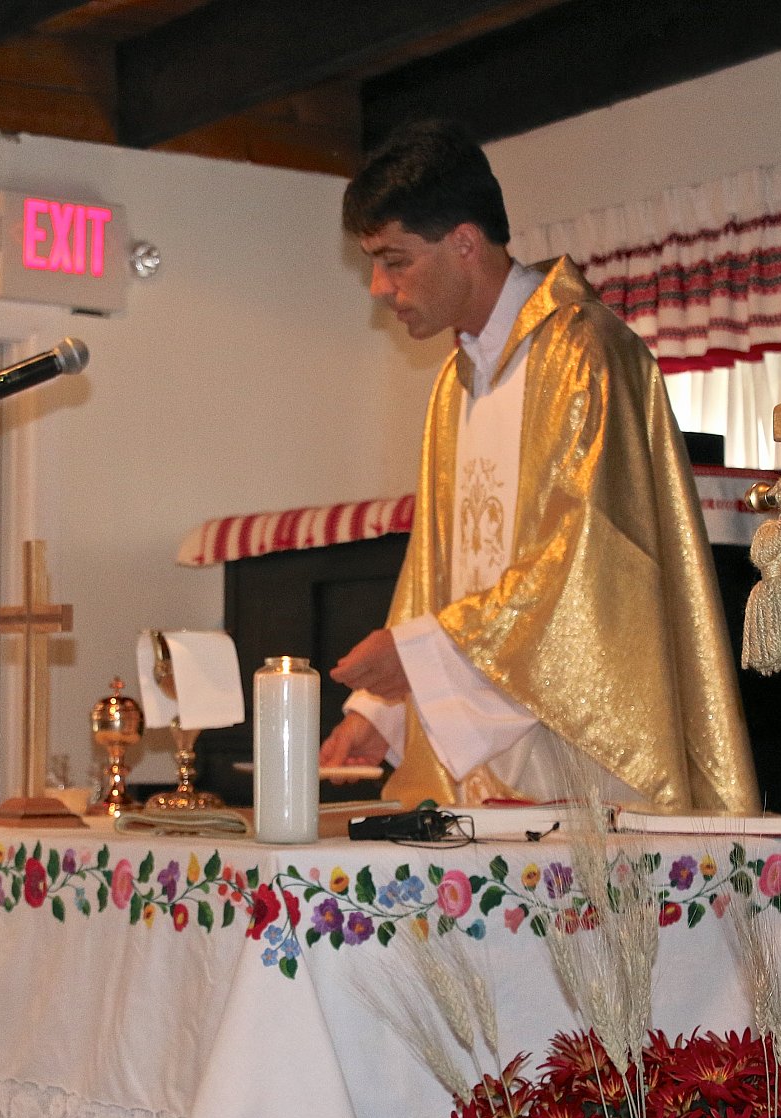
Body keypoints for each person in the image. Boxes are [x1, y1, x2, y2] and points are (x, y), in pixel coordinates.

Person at [320, 119, 758, 812]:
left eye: (394, 259)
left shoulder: (584, 355)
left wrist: (418, 656)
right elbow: (433, 567)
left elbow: (585, 564)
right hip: (486, 757)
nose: (378, 285)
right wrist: (378, 709)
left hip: (579, 755)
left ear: (464, 242)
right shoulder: (454, 382)